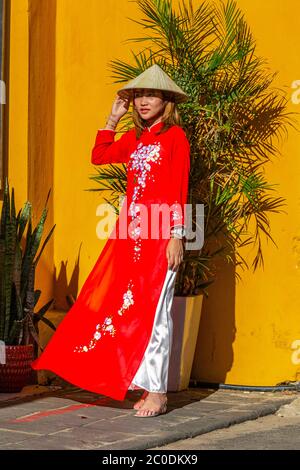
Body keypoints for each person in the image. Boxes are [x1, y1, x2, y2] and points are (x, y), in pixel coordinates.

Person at [31, 64, 190, 418]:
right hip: (129, 237)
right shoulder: (135, 139)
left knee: (157, 313)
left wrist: (177, 236)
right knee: (124, 308)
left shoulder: (175, 138)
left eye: (151, 95)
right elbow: (99, 155)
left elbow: (179, 189)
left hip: (160, 235)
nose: (143, 102)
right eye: (137, 96)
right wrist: (112, 117)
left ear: (166, 101)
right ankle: (136, 380)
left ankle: (158, 392)